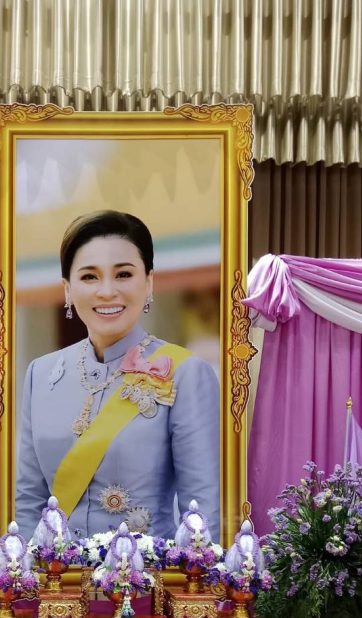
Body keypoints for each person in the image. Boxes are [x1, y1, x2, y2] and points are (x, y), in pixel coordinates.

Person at [15, 210, 220, 540]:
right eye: (89, 277)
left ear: (148, 283)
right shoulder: (41, 374)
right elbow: (28, 505)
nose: (107, 291)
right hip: (55, 571)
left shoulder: (185, 373)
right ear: (67, 290)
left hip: (150, 570)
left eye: (123, 274)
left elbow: (202, 514)